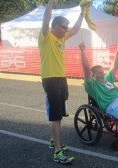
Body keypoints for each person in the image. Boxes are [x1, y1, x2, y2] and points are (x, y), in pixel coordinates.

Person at [38, 0, 84, 164]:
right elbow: (45, 20)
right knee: (55, 116)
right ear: (55, 25)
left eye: (66, 27)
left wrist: (82, 12)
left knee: (60, 113)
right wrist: (50, 3)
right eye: (64, 27)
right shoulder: (46, 36)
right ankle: (57, 151)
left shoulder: (62, 36)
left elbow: (76, 29)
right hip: (50, 79)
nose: (66, 30)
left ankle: (53, 141)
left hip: (61, 78)